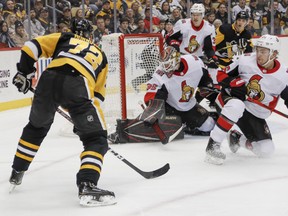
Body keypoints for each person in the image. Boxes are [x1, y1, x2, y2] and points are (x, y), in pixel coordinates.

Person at [9, 19, 116, 207]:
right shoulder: (101, 54)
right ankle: (87, 184)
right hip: (78, 83)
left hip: (48, 80)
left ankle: (17, 171)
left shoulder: (65, 38)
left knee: (36, 128)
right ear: (91, 36)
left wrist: (24, 73)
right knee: (96, 139)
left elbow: (30, 47)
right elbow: (96, 98)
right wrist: (84, 123)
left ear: (74, 31)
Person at [205, 34, 288, 165]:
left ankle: (236, 139)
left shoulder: (284, 76)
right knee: (236, 105)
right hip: (228, 102)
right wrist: (234, 82)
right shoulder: (244, 60)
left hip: (254, 114)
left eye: (263, 52)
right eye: (258, 50)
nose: (258, 54)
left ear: (274, 54)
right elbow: (220, 75)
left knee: (266, 150)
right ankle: (213, 145)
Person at [108, 46, 217, 144]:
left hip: (188, 106)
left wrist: (207, 88)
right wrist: (154, 110)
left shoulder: (194, 62)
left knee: (209, 125)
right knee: (150, 125)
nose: (165, 68)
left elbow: (205, 80)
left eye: (168, 64)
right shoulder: (160, 74)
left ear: (177, 60)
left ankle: (187, 126)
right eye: (163, 64)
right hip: (169, 107)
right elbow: (152, 96)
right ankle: (122, 133)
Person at [167, 3, 217, 69]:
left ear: (203, 15)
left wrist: (212, 58)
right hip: (181, 56)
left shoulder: (209, 28)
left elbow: (209, 48)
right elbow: (168, 37)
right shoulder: (182, 24)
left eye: (198, 15)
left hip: (198, 58)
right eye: (193, 15)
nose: (195, 17)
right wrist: (175, 45)